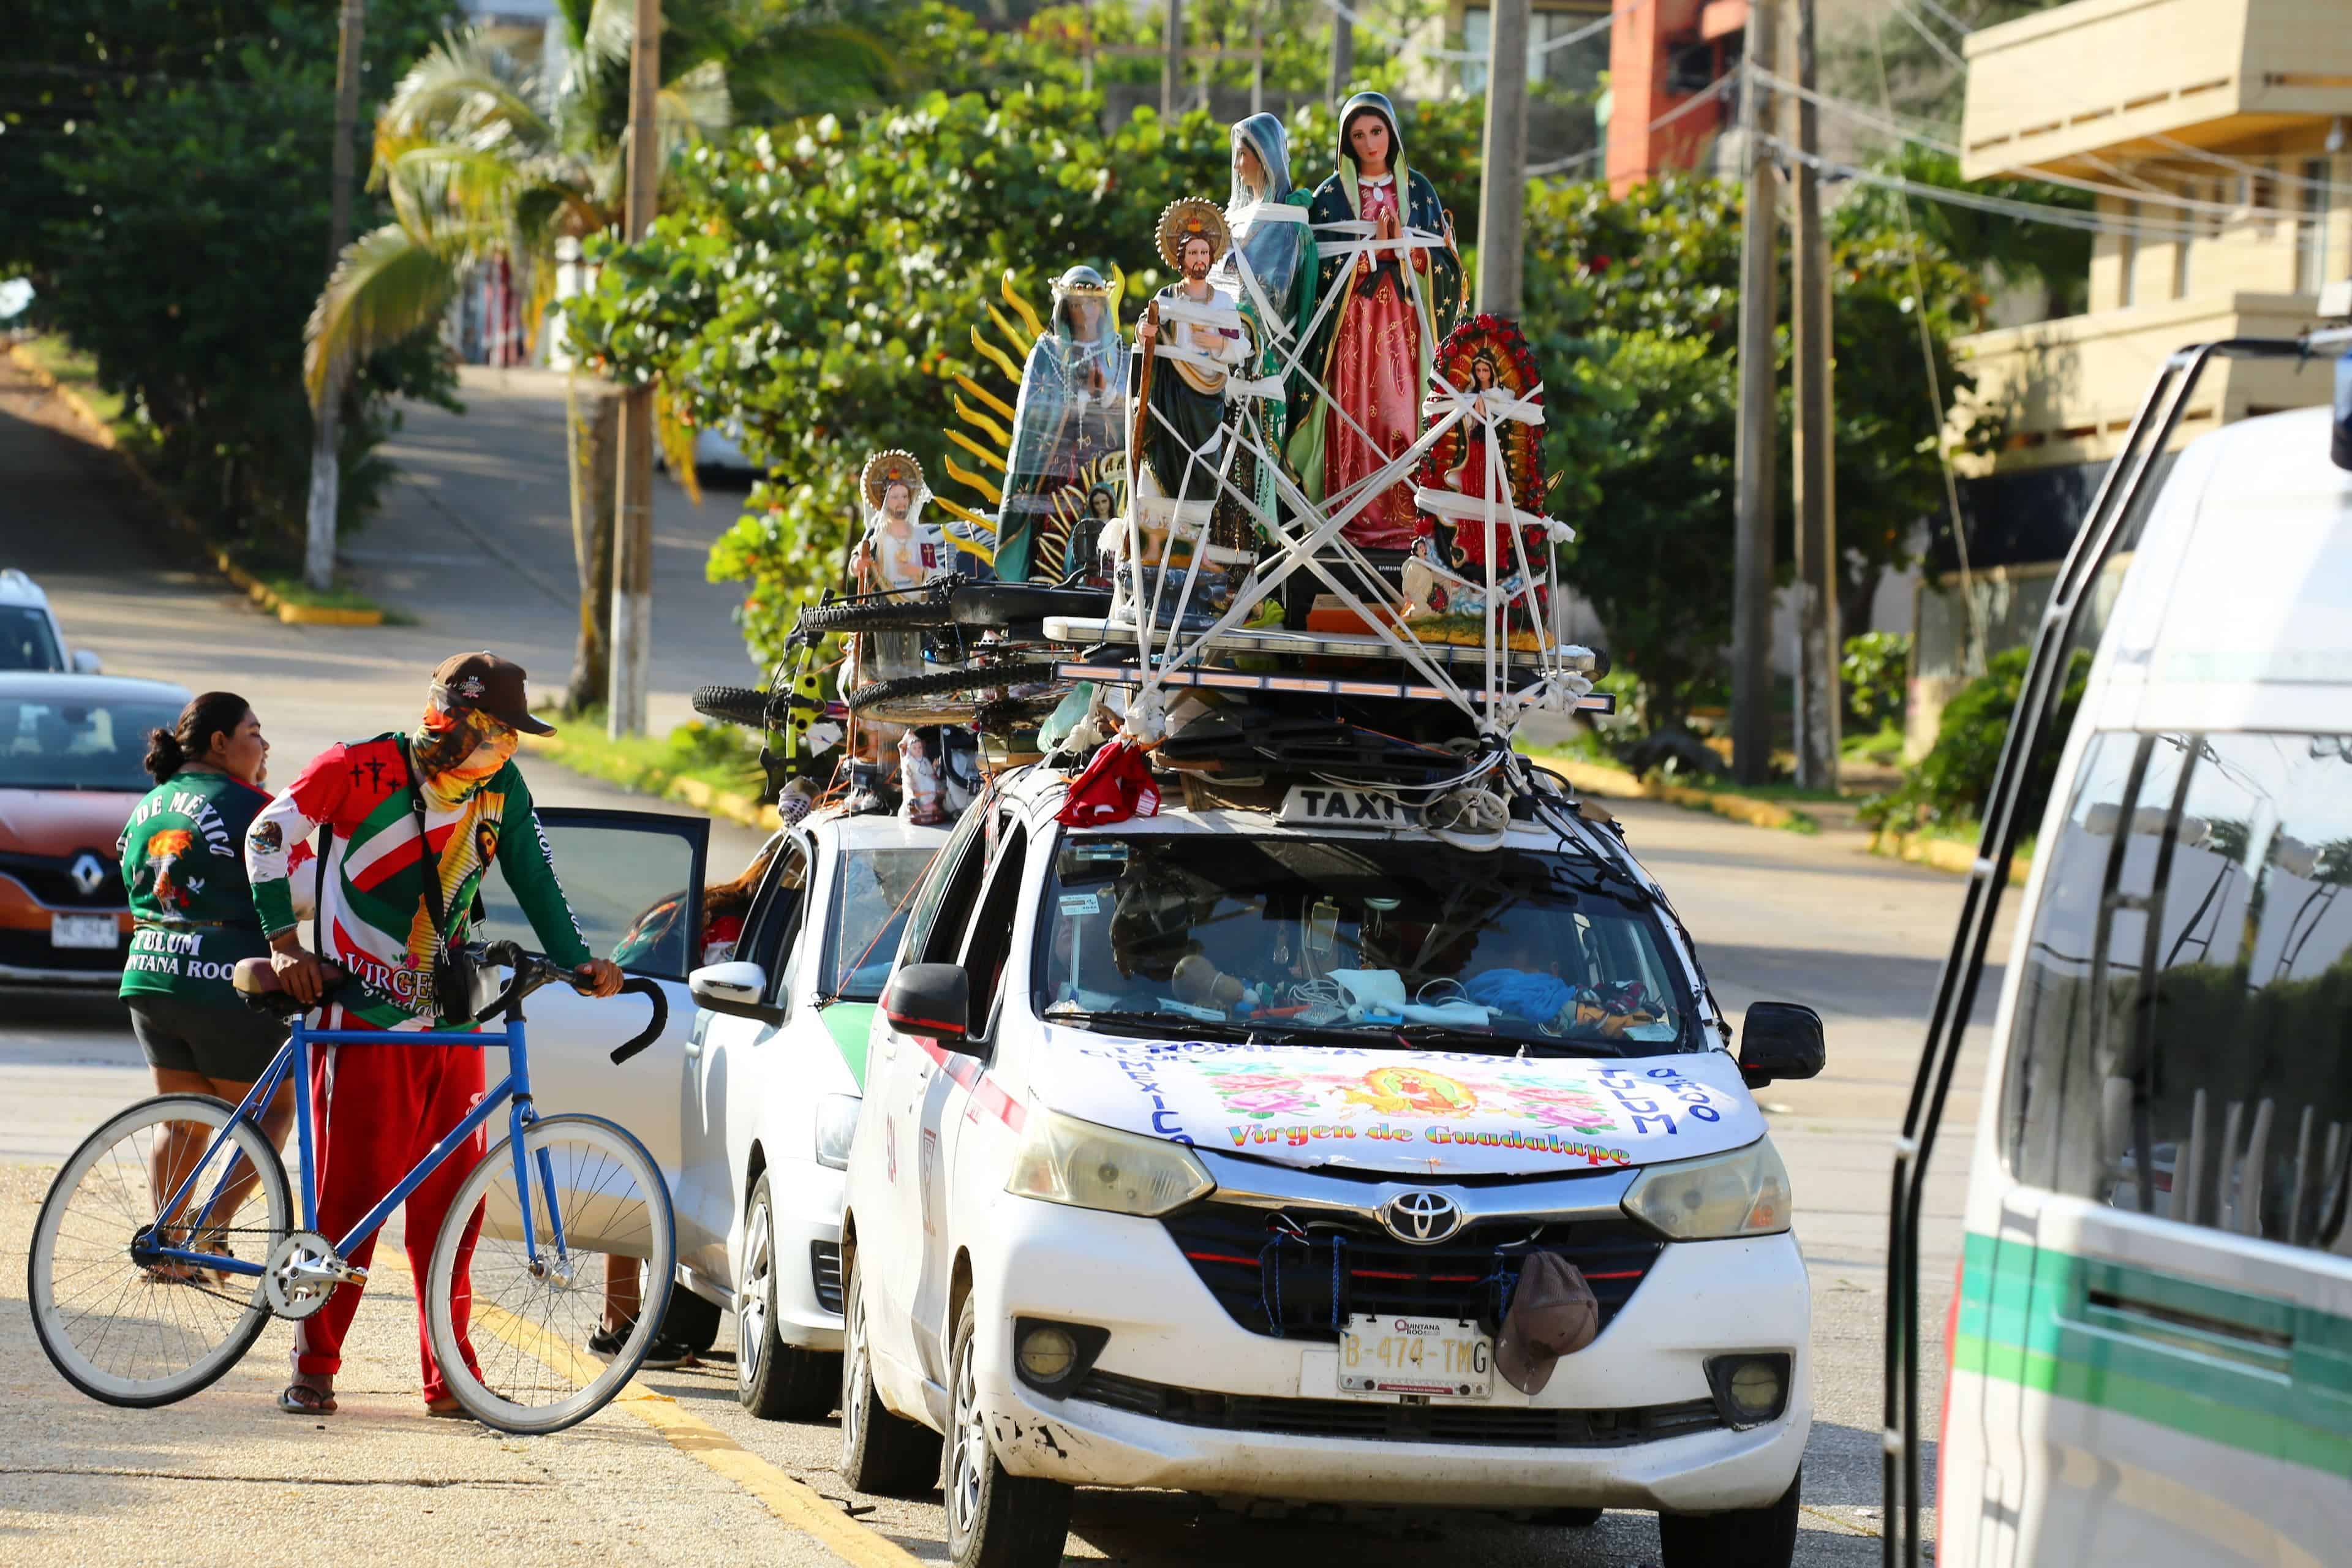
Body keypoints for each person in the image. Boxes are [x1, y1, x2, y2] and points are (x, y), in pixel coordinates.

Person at [245, 652, 624, 1417]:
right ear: (447, 720)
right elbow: (265, 835)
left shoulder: (501, 791)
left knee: (455, 1205)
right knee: (351, 1200)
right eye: (494, 733)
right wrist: (286, 945)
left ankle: (448, 1374)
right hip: (363, 1020)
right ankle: (315, 1362)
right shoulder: (358, 767)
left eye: (513, 740)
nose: (504, 752)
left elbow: (536, 879)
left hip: (453, 1020)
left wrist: (582, 963)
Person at [118, 692, 295, 1273]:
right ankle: (212, 1233)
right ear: (220, 743)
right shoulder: (252, 806)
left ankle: (167, 1248)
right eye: (254, 731)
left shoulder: (152, 803)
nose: (264, 745)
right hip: (222, 974)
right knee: (272, 1110)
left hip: (150, 970)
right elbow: (300, 888)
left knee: (182, 1117)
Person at [1289, 91, 1464, 549]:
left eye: (1377, 132)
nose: (1370, 143)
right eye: (1359, 135)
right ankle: (1351, 518)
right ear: (1347, 142)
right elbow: (1316, 270)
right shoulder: (1329, 197)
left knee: (1401, 415)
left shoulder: (1419, 191)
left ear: (1392, 134)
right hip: (1352, 328)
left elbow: (1446, 262)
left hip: (1405, 328)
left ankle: (1407, 523)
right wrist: (1369, 258)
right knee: (1352, 420)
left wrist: (1407, 255)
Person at [994, 265, 1128, 583]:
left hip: (1107, 466)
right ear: (1065, 308)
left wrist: (1105, 399)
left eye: (1094, 303)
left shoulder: (1118, 354)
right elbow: (1036, 415)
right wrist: (1074, 400)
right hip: (1061, 467)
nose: (1087, 312)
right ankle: (1048, 586)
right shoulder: (1048, 353)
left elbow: (1130, 414)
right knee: (1056, 527)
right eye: (1078, 304)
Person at [1219, 113, 1317, 523]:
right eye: (1237, 155)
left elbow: (1279, 295)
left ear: (1266, 157)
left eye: (1245, 155)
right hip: (1222, 347)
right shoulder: (1235, 217)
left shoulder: (1289, 222)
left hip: (1264, 356)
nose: (1238, 165)